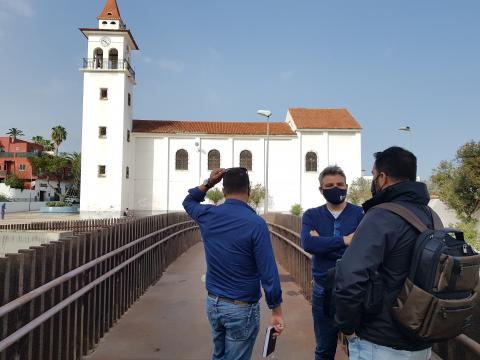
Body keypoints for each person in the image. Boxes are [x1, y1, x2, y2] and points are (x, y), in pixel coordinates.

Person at [334, 146, 434, 360]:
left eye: (372, 175)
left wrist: (347, 327)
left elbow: (350, 277)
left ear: (382, 177)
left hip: (380, 343)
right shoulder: (432, 217)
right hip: (422, 344)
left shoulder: (381, 215)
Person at [182, 167, 284, 360]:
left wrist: (209, 182)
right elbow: (268, 271)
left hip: (214, 303)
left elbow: (188, 201)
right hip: (241, 307)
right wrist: (276, 310)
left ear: (223, 191)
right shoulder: (256, 223)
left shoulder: (207, 215)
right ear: (249, 191)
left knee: (219, 356)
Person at [300, 165, 364, 360]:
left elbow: (363, 247)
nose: (335, 188)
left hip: (355, 289)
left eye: (339, 184)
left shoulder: (361, 214)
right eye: (329, 185)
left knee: (359, 348)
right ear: (321, 190)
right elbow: (308, 243)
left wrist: (323, 242)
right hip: (323, 291)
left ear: (347, 186)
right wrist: (345, 241)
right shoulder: (311, 215)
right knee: (324, 348)